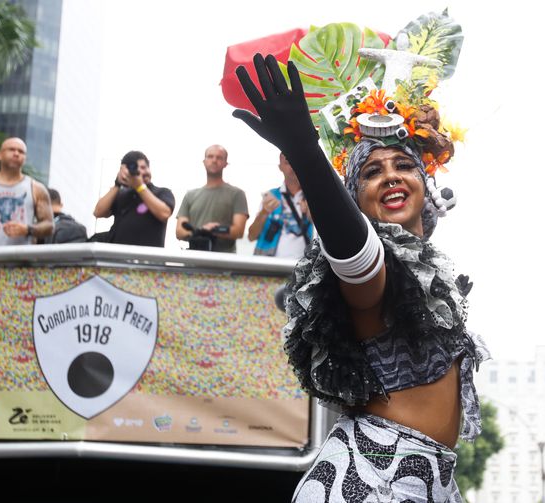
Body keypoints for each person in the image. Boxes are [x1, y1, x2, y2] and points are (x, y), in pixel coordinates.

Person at [231, 12, 488, 503]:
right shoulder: (379, 268)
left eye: (403, 165)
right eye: (371, 172)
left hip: (421, 484)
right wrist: (307, 154)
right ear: (355, 197)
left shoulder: (428, 269)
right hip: (371, 484)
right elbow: (357, 258)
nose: (391, 176)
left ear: (425, 184)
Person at [92, 150, 174, 247]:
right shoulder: (121, 194)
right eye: (135, 168)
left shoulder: (162, 192)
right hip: (118, 257)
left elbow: (164, 213)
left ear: (149, 169)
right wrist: (117, 184)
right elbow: (98, 212)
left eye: (143, 167)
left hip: (147, 258)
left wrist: (140, 187)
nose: (140, 172)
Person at [176, 145, 248, 253]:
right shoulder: (190, 195)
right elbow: (179, 232)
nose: (214, 160)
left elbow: (239, 231)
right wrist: (200, 232)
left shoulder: (237, 194)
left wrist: (215, 230)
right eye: (210, 156)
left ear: (226, 163)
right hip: (193, 260)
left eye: (219, 157)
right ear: (204, 161)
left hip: (224, 262)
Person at [247, 152, 314, 258]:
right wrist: (264, 213)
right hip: (269, 265)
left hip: (304, 267)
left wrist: (311, 214)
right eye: (288, 162)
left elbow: (327, 236)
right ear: (280, 167)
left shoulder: (313, 198)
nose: (293, 166)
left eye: (296, 162)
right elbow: (251, 236)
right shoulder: (270, 196)